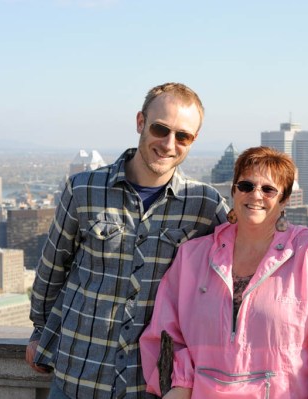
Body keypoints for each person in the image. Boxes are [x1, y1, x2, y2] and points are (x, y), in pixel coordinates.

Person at [26, 82, 229, 399]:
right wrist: (40, 331)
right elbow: (52, 269)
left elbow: (245, 256)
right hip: (78, 377)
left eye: (183, 136)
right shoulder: (84, 189)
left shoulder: (204, 205)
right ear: (140, 122)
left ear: (194, 140)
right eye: (160, 129)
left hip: (149, 386)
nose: (169, 144)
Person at [139, 146, 308, 399]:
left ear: (285, 199)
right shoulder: (193, 257)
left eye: (268, 189)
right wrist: (180, 384)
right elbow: (164, 336)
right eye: (246, 186)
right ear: (234, 191)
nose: (256, 195)